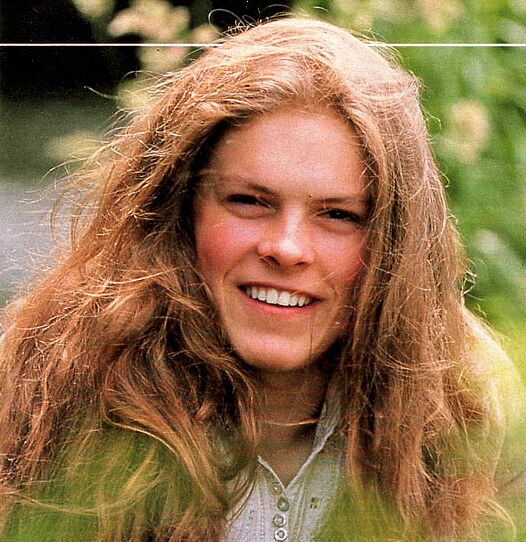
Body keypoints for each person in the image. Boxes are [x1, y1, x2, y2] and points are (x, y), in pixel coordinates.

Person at [0, 16, 524, 542]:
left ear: (394, 245)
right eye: (250, 201)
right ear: (178, 210)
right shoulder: (47, 387)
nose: (287, 248)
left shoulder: (469, 406)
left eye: (338, 215)